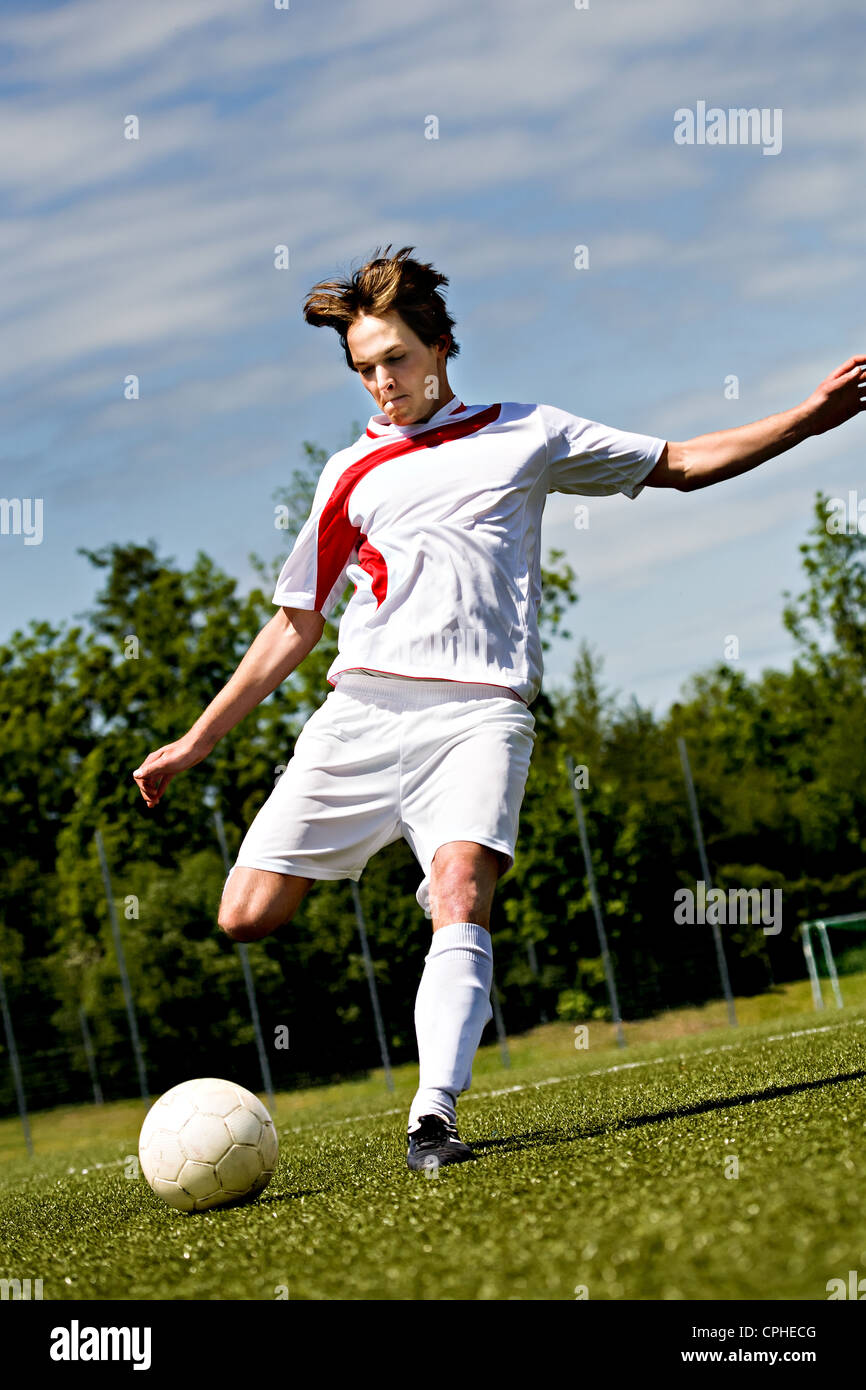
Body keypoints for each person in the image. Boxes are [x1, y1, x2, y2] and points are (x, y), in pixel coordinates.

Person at [133, 244, 866, 1172]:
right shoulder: (348, 476)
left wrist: (805, 421)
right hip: (360, 715)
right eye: (364, 369)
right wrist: (194, 743)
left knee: (461, 888)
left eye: (395, 360)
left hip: (480, 715)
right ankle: (407, 889)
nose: (381, 383)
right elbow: (295, 625)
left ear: (440, 346)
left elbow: (680, 462)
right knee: (245, 914)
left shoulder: (528, 434)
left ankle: (432, 1115)